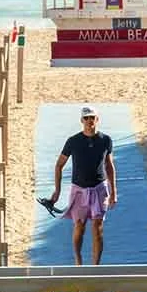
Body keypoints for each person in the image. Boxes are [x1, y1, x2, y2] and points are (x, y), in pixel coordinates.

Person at [47, 105, 117, 265]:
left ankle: (95, 267)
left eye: (92, 117)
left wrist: (114, 192)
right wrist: (57, 192)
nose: (89, 121)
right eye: (86, 118)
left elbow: (109, 165)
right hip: (79, 189)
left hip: (99, 188)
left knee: (98, 227)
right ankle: (78, 261)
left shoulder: (105, 140)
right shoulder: (73, 141)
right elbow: (59, 165)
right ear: (81, 120)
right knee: (79, 226)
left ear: (97, 119)